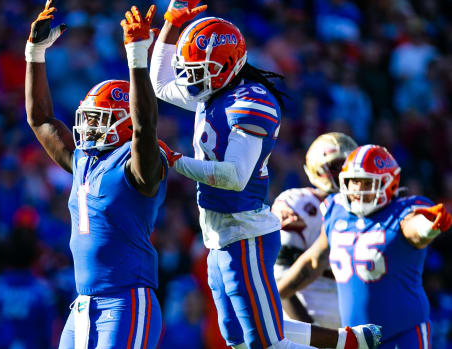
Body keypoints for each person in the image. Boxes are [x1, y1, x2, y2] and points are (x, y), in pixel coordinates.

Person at [149, 1, 381, 348]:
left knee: (265, 341)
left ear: (226, 67)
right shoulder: (214, 89)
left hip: (245, 232)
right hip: (218, 232)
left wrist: (175, 160)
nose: (191, 78)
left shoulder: (249, 101)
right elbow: (160, 84)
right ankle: (349, 342)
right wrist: (170, 24)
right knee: (239, 338)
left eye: (199, 69)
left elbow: (234, 177)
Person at [24, 2, 168, 348]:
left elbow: (145, 127)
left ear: (125, 121)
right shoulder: (85, 161)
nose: (88, 126)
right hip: (83, 304)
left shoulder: (138, 165)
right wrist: (34, 54)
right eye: (87, 118)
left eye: (98, 119)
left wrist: (136, 56)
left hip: (125, 301)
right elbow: (41, 119)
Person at [277, 145, 452, 348]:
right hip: (355, 340)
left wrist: (427, 227)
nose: (358, 189)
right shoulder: (336, 209)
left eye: (367, 182)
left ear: (389, 183)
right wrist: (277, 292)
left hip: (402, 336)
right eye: (353, 182)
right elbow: (313, 261)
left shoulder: (403, 210)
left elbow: (414, 229)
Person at [272, 132, 358, 328]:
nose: (346, 171)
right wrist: (315, 339)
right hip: (306, 321)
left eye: (349, 164)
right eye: (337, 166)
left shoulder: (364, 208)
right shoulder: (300, 205)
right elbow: (279, 282)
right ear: (318, 170)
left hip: (352, 326)